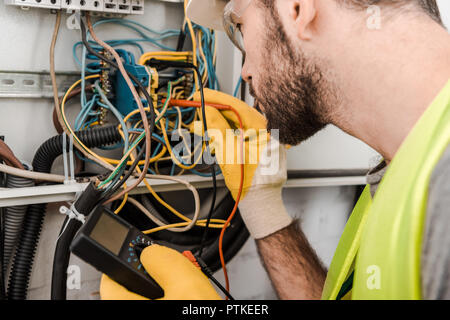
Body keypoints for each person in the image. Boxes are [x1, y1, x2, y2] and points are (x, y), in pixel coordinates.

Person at [101, 0, 450, 300]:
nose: (246, 72)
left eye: (240, 25)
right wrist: (262, 206)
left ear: (298, 8)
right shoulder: (405, 165)